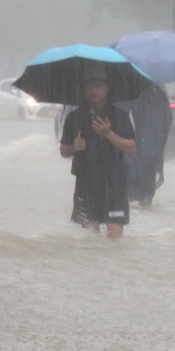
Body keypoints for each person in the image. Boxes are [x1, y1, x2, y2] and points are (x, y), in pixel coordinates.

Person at [59, 63, 137, 239]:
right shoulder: (75, 117)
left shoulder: (119, 116)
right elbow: (63, 150)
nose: (94, 91)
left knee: (114, 238)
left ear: (107, 88)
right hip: (86, 182)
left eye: (99, 86)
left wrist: (109, 134)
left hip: (114, 182)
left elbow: (132, 147)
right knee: (89, 240)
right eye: (89, 86)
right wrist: (74, 147)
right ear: (83, 88)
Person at [120, 82, 171, 206]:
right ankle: (144, 202)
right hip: (144, 149)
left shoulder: (154, 94)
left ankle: (142, 200)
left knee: (144, 176)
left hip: (145, 149)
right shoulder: (158, 93)